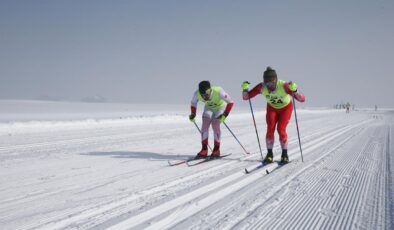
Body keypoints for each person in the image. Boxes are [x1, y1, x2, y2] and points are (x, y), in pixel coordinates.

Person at [242, 66, 305, 164]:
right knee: (270, 128)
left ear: (276, 80)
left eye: (271, 83)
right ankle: (269, 154)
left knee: (281, 129)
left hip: (285, 108)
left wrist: (295, 90)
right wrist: (245, 89)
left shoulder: (284, 86)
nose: (269, 85)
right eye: (266, 83)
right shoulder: (261, 87)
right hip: (272, 108)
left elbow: (302, 99)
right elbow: (246, 97)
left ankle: (284, 154)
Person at [189, 81, 234, 159]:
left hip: (220, 107)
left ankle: (216, 150)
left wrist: (225, 115)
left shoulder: (218, 91)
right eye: (203, 95)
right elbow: (193, 103)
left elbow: (230, 102)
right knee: (205, 124)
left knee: (215, 124)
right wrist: (193, 114)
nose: (205, 97)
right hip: (209, 108)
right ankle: (204, 150)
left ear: (210, 90)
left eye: (207, 94)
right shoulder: (197, 94)